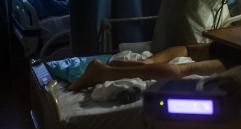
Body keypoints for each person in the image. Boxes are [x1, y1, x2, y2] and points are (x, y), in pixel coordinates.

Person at [68, 44, 226, 91]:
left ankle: (146, 64)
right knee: (183, 70)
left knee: (187, 57)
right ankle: (106, 72)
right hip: (240, 55)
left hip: (230, 47)